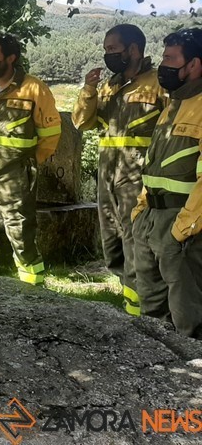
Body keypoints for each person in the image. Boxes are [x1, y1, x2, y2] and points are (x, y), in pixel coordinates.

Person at [73, 24, 167, 316]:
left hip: (138, 177)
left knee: (136, 241)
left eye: (112, 49)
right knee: (112, 242)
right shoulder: (108, 86)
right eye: (106, 50)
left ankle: (147, 311)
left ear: (134, 50)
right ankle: (131, 306)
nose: (107, 55)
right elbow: (81, 122)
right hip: (107, 176)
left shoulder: (159, 83)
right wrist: (89, 90)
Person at [0, 34, 61, 286]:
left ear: (11, 58)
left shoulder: (34, 89)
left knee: (19, 228)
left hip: (16, 172)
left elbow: (50, 135)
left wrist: (28, 163)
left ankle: (32, 287)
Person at [131, 28, 202, 338]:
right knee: (152, 310)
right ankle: (153, 371)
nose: (163, 66)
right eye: (163, 58)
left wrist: (182, 228)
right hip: (151, 219)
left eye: (171, 59)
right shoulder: (172, 104)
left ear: (194, 65)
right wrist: (140, 210)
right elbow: (155, 166)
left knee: (187, 316)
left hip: (181, 224)